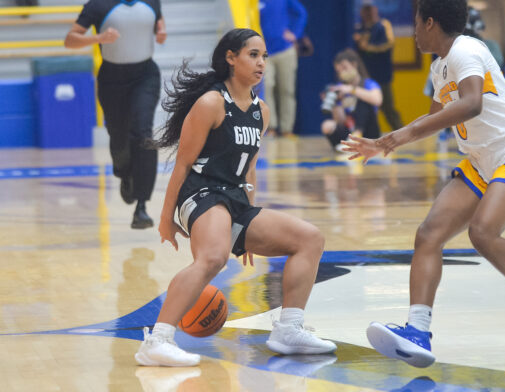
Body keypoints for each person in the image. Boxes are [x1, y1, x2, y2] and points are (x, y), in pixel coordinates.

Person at [341, 0, 505, 368]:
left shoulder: (466, 50)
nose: (412, 32)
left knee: (483, 233)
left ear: (430, 22)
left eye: (415, 23)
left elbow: (472, 104)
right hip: (479, 161)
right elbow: (436, 119)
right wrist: (384, 144)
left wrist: (400, 134)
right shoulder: (441, 66)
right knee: (429, 234)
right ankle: (418, 330)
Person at [134, 28, 336, 367]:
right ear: (231, 58)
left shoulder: (262, 111)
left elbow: (250, 169)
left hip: (235, 199)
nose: (261, 63)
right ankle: (157, 340)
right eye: (253, 55)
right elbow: (182, 163)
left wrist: (248, 225)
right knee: (213, 257)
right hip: (199, 192)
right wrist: (167, 219)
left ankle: (289, 329)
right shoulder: (211, 102)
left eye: (264, 57)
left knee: (310, 239)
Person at [65, 0, 166, 229]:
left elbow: (157, 22)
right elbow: (70, 39)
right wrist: (98, 39)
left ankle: (142, 206)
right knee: (118, 136)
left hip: (145, 76)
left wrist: (161, 31)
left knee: (143, 133)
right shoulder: (97, 5)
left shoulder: (152, 2)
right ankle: (124, 171)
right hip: (112, 78)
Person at [259, 0, 308, 137]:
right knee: (267, 86)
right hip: (263, 52)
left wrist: (295, 33)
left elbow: (301, 13)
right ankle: (272, 127)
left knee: (287, 90)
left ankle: (287, 129)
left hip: (285, 50)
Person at [353, 2, 404, 131]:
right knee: (363, 108)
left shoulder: (383, 25)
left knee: (387, 107)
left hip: (381, 74)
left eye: (370, 9)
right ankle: (368, 134)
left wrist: (368, 47)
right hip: (365, 75)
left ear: (375, 10)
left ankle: (401, 132)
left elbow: (389, 45)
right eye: (365, 10)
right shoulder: (359, 28)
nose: (368, 13)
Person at [320, 49, 382, 151]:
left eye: (345, 68)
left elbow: (377, 100)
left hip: (368, 131)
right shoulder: (340, 88)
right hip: (350, 128)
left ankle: (356, 138)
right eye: (339, 70)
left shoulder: (368, 83)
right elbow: (340, 120)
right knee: (327, 125)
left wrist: (352, 90)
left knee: (362, 99)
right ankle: (348, 144)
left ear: (354, 65)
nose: (342, 72)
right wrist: (335, 103)